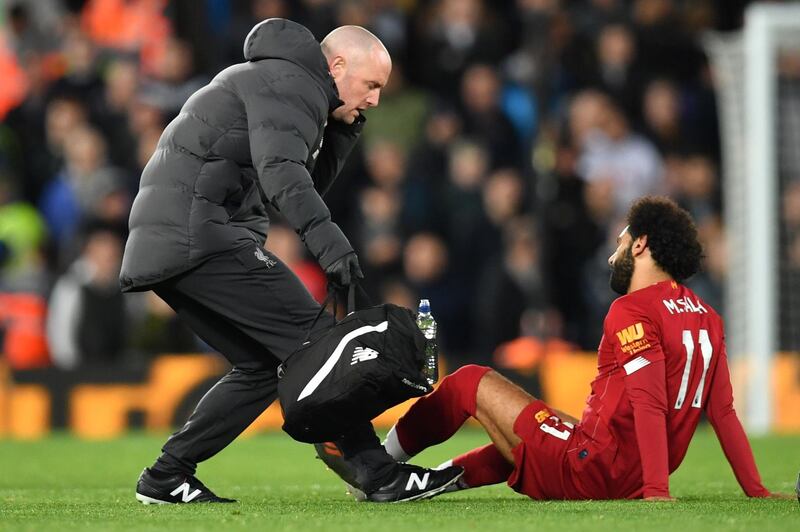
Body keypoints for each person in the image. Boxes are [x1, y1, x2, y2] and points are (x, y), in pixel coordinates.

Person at [121, 19, 462, 504]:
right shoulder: (294, 83)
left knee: (263, 366)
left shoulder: (280, 81)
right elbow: (282, 176)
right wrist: (334, 247)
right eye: (371, 86)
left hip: (174, 238)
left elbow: (295, 179)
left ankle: (166, 476)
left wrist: (345, 129)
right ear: (337, 65)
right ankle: (378, 474)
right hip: (200, 233)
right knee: (318, 343)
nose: (375, 100)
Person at [322, 196, 785, 501]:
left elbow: (649, 401)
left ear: (642, 245)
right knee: (538, 430)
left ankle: (378, 467)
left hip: (600, 467)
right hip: (620, 467)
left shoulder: (633, 310)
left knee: (468, 382)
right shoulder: (707, 315)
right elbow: (722, 412)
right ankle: (434, 480)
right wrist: (756, 490)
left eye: (620, 242)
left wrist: (656, 491)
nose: (612, 254)